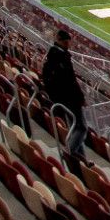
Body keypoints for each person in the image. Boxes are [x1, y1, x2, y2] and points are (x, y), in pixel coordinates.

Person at [41, 30, 88, 159]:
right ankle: (70, 153)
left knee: (75, 126)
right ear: (60, 41)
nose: (68, 45)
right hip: (70, 98)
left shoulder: (53, 56)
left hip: (61, 97)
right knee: (82, 127)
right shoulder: (61, 57)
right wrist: (81, 97)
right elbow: (70, 80)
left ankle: (81, 158)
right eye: (66, 42)